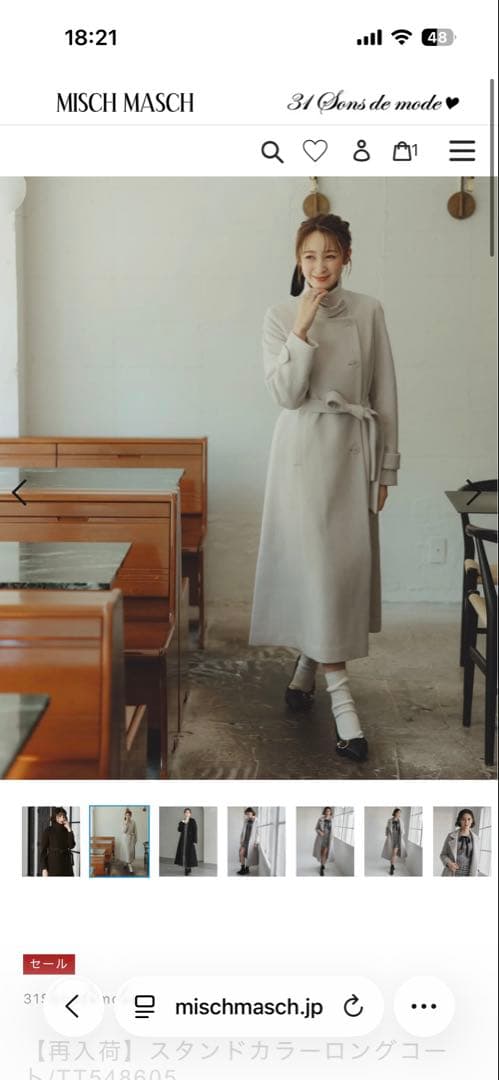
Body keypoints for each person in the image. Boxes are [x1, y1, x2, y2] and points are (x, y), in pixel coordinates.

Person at [250, 213, 400, 764]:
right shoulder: (278, 316)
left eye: (330, 255)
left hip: (353, 455)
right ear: (298, 260)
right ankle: (344, 706)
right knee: (318, 570)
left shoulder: (369, 310)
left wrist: (387, 469)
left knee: (338, 574)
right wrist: (302, 327)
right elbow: (287, 396)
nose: (320, 266)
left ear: (347, 257)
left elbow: (385, 393)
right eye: (310, 256)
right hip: (301, 458)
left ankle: (306, 669)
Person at [440, 809, 481, 877]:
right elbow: (443, 854)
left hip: (469, 874)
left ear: (472, 820)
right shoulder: (450, 836)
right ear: (459, 820)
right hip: (452, 872)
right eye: (463, 819)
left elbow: (477, 858)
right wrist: (449, 863)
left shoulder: (477, 839)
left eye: (469, 819)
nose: (466, 822)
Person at [40, 808, 76, 877]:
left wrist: (69, 829)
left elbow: (71, 846)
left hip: (67, 864)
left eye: (64, 816)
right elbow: (43, 851)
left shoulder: (67, 830)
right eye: (60, 816)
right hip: (53, 863)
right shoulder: (48, 830)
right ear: (55, 817)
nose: (62, 818)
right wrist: (44, 868)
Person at [382, 808, 407, 875]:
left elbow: (403, 830)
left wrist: (401, 835)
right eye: (398, 812)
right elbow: (387, 828)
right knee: (391, 853)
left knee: (394, 853)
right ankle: (392, 865)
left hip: (398, 839)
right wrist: (387, 834)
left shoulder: (401, 821)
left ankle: (391, 867)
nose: (399, 814)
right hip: (391, 838)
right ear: (395, 812)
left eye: (400, 813)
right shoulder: (390, 820)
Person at [175, 809, 199, 876]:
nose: (187, 813)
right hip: (183, 840)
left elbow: (195, 830)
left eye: (188, 812)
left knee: (189, 854)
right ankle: (186, 868)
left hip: (190, 841)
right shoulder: (182, 821)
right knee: (184, 854)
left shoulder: (192, 821)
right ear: (184, 814)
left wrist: (194, 840)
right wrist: (183, 822)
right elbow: (179, 830)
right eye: (186, 812)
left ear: (190, 814)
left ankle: (189, 867)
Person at [313, 806, 335, 876]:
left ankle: (322, 865)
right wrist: (320, 832)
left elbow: (333, 830)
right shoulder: (320, 819)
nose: (327, 812)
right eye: (326, 811)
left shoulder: (332, 820)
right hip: (321, 838)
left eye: (329, 811)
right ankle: (322, 866)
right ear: (324, 812)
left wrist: (332, 837)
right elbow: (316, 828)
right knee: (322, 853)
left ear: (330, 812)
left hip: (328, 839)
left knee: (325, 853)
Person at [237, 808, 259, 875]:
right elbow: (243, 830)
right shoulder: (246, 820)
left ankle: (247, 869)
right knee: (241, 853)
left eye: (249, 814)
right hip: (245, 840)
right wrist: (241, 839)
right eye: (246, 814)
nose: (248, 815)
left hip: (251, 841)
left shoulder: (256, 821)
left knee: (248, 855)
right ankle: (242, 868)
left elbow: (258, 832)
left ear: (252, 813)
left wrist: (256, 842)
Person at [122, 809, 137, 874]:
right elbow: (124, 831)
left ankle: (126, 863)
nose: (128, 816)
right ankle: (130, 866)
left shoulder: (133, 822)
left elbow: (135, 831)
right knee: (127, 852)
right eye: (126, 815)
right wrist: (126, 823)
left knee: (131, 852)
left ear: (131, 816)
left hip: (132, 839)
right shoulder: (124, 822)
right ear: (125, 815)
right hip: (126, 839)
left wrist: (135, 839)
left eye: (129, 815)